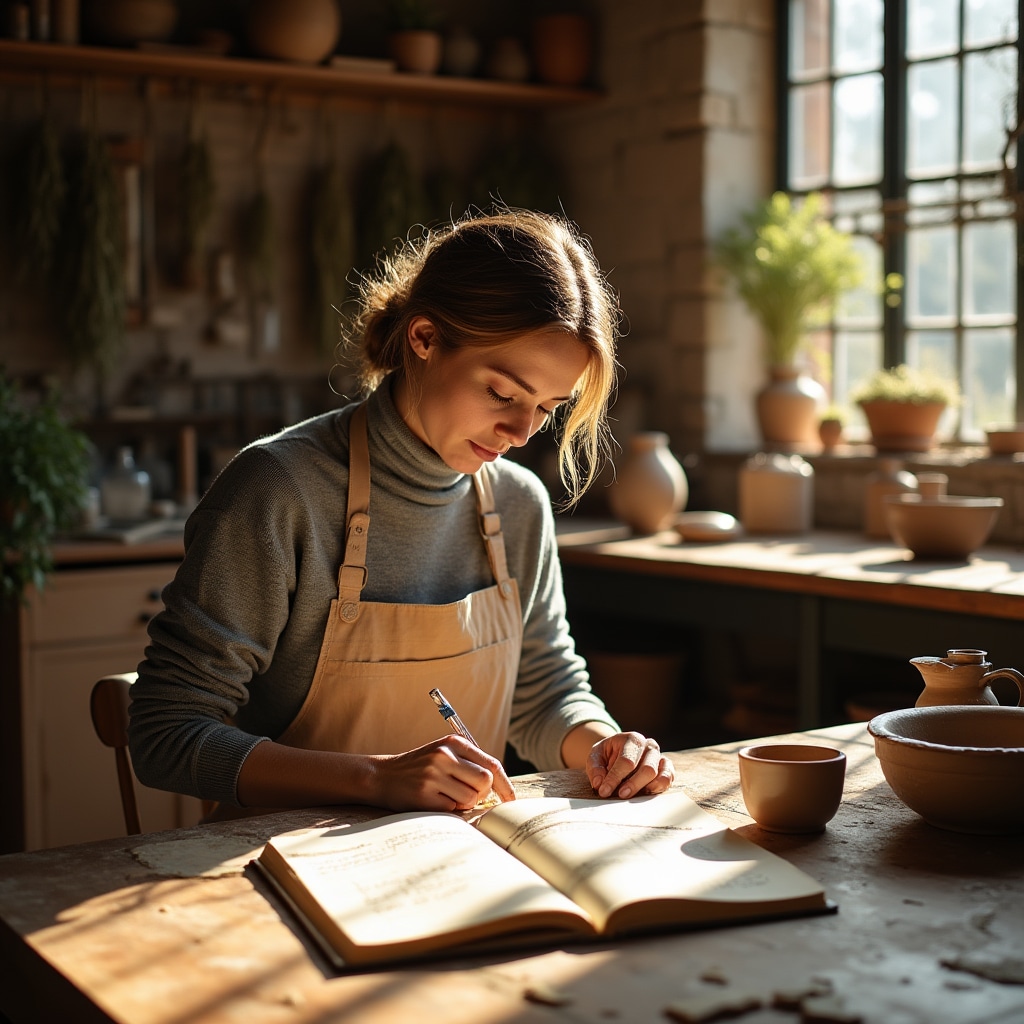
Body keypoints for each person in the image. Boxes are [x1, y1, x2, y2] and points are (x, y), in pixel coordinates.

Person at [128, 207, 675, 816]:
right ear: (424, 338)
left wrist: (606, 747)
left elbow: (542, 691)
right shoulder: (280, 491)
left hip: (450, 862)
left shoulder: (518, 504)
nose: (521, 432)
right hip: (278, 867)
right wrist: (375, 780)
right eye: (501, 392)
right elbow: (165, 732)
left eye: (547, 407)